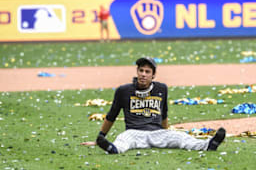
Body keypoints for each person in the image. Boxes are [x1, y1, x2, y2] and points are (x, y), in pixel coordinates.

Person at [81, 57, 226, 154]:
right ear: (137, 72)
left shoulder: (161, 89)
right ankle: (112, 149)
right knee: (123, 140)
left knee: (181, 138)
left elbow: (164, 115)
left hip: (157, 133)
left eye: (147, 72)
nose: (143, 74)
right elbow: (111, 116)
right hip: (134, 132)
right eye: (141, 71)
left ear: (153, 75)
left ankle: (208, 145)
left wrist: (167, 133)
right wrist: (100, 137)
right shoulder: (124, 91)